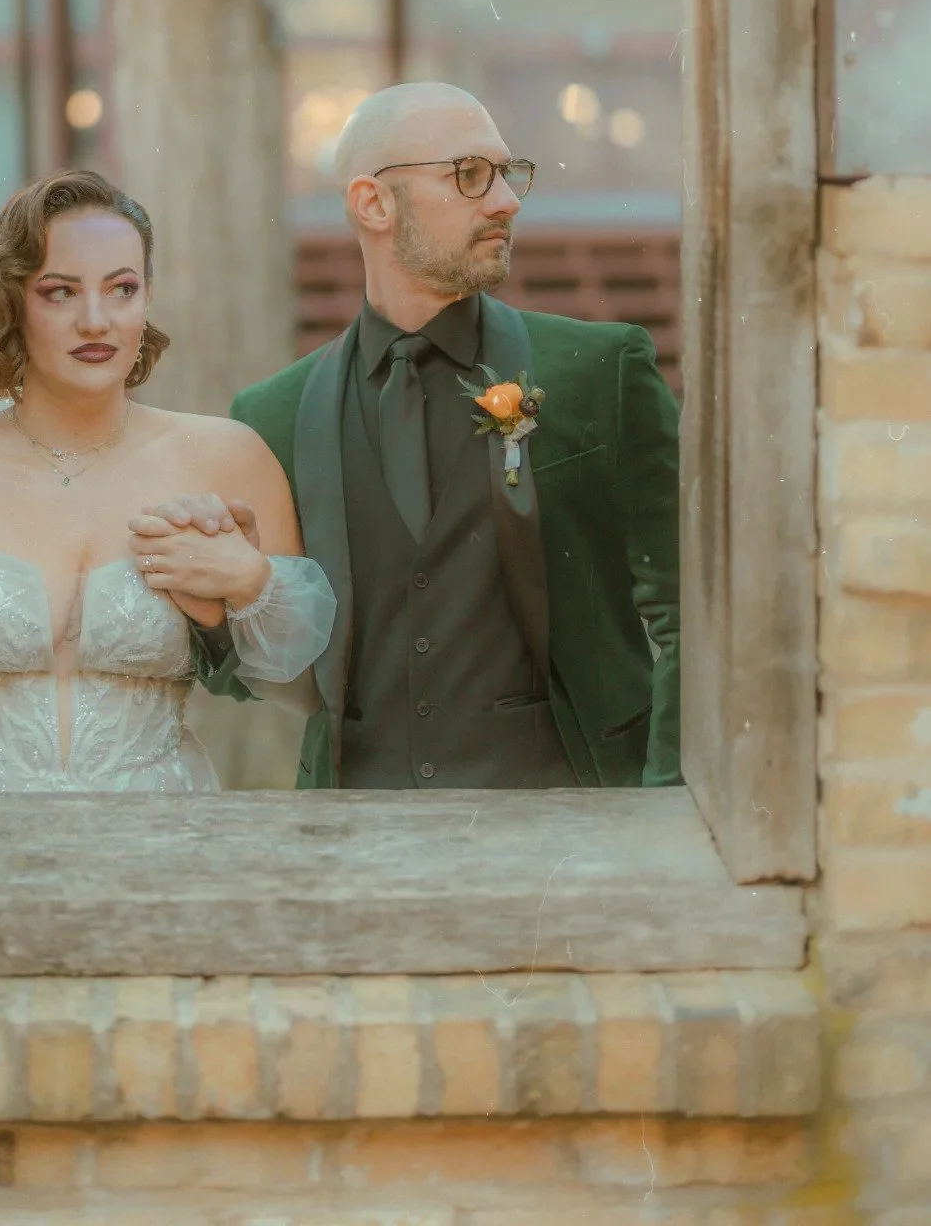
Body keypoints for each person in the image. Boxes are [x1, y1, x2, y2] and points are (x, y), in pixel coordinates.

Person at [142, 81, 680, 793]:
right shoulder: (272, 413)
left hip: (570, 831)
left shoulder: (600, 370)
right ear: (372, 203)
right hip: (351, 839)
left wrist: (663, 800)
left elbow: (688, 612)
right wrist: (225, 604)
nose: (505, 201)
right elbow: (261, 677)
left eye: (507, 174)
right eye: (468, 175)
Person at [0, 171, 334, 793]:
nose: (96, 320)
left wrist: (250, 583)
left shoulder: (227, 458)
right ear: (12, 301)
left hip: (155, 837)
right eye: (60, 292)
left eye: (122, 289)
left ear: (147, 297)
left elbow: (302, 685)